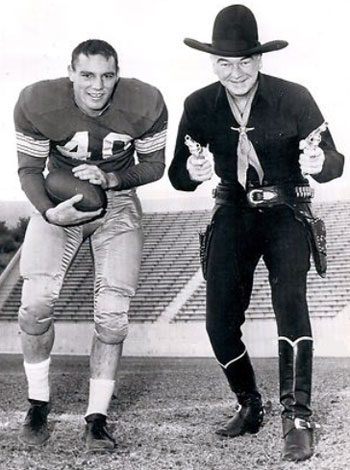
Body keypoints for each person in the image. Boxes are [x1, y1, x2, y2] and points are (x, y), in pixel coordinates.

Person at [168, 5, 344, 463]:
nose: (237, 72)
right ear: (212, 63)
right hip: (231, 210)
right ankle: (249, 404)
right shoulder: (198, 104)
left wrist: (318, 163)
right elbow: (177, 176)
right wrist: (191, 170)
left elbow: (334, 160)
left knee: (292, 308)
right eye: (225, 62)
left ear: (260, 60)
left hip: (286, 209)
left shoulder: (295, 97)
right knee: (218, 322)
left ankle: (298, 418)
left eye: (246, 60)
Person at [14, 39, 167, 451]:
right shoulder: (38, 102)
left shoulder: (145, 102)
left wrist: (114, 179)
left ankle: (96, 418)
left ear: (118, 75)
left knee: (114, 315)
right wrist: (49, 212)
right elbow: (28, 169)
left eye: (107, 75)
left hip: (116, 204)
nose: (97, 86)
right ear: (70, 73)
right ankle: (37, 405)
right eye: (86, 75)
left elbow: (155, 165)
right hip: (59, 199)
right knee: (34, 305)